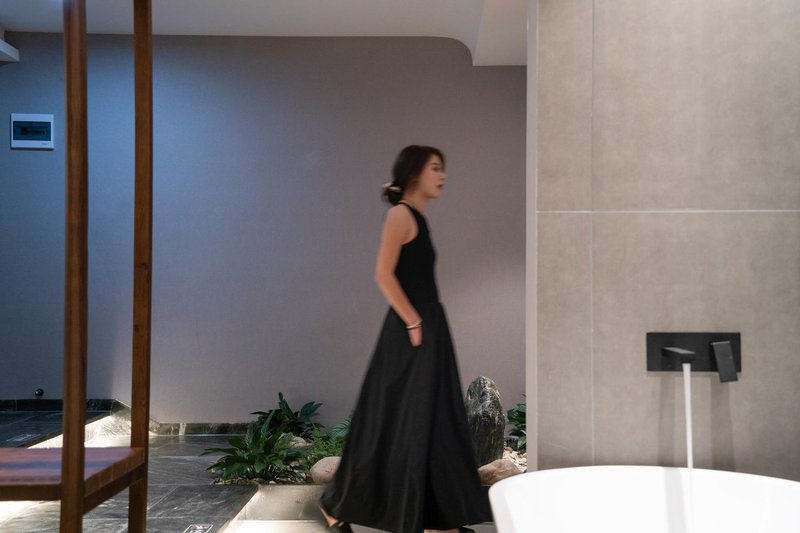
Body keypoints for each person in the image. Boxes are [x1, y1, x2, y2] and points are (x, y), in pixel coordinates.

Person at [319, 145, 492, 533]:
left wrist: (424, 324)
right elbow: (383, 274)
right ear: (414, 173)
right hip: (412, 332)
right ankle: (335, 505)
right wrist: (414, 322)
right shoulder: (399, 215)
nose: (442, 175)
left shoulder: (419, 218)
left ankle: (436, 520)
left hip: (429, 328)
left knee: (433, 420)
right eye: (435, 168)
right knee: (395, 419)